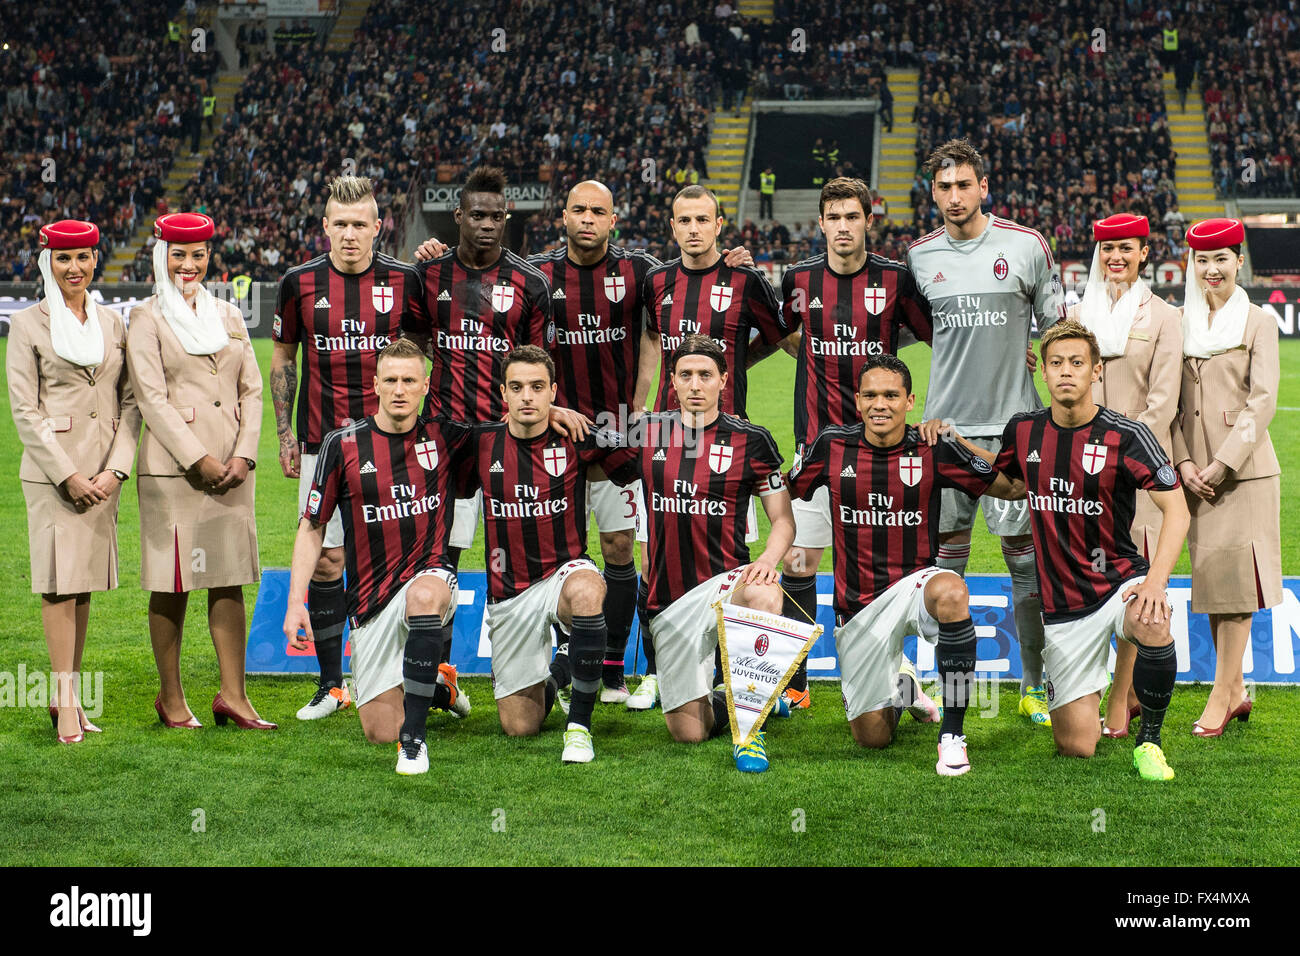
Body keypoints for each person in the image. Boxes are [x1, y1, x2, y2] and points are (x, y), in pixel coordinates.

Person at [939, 319, 1189, 781]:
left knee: (1151, 618)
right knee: (1076, 747)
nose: (1066, 371)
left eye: (1077, 362)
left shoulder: (1127, 435)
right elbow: (1010, 485)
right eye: (1056, 363)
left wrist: (1155, 581)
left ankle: (1150, 741)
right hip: (1063, 608)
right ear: (1044, 373)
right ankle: (1098, 693)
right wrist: (953, 447)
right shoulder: (1025, 430)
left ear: (1096, 371)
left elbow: (1178, 510)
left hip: (1118, 582)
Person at [788, 354, 1023, 775]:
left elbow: (1010, 488)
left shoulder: (933, 447)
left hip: (916, 585)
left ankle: (952, 734)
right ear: (857, 400)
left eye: (891, 395)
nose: (881, 404)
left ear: (909, 400)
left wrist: (957, 438)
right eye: (872, 395)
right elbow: (787, 490)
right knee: (872, 738)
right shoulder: (832, 445)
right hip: (857, 607)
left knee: (952, 592)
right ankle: (905, 687)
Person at [907, 138, 1065, 728]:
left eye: (963, 185)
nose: (953, 196)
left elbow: (1056, 331)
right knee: (944, 568)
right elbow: (913, 331)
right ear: (934, 193)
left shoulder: (1026, 247)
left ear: (983, 187)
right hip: (942, 433)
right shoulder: (919, 258)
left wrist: (1040, 369)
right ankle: (933, 682)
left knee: (1025, 565)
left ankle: (1033, 685)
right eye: (943, 187)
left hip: (1014, 434)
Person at [628, 183, 788, 711]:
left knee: (729, 561)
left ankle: (742, 682)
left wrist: (735, 366)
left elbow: (785, 339)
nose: (693, 228)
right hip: (666, 436)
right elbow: (652, 340)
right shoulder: (657, 280)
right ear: (671, 226)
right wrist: (641, 405)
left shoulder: (746, 280)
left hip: (728, 441)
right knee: (658, 551)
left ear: (719, 225)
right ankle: (659, 671)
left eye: (703, 219)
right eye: (683, 220)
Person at [603, 335, 796, 772]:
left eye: (705, 375)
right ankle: (743, 694)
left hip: (727, 584)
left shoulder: (753, 440)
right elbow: (594, 449)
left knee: (764, 592)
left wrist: (768, 561)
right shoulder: (647, 433)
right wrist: (557, 414)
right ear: (671, 381)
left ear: (724, 380)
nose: (695, 384)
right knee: (688, 733)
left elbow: (783, 520)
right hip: (669, 602)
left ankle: (751, 730)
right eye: (685, 374)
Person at [778, 176, 935, 711]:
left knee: (885, 570)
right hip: (817, 445)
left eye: (853, 217)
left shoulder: (894, 279)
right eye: (834, 218)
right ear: (820, 223)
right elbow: (779, 330)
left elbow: (940, 335)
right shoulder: (798, 278)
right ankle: (795, 682)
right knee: (798, 560)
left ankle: (899, 671)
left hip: (883, 452)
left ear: (870, 220)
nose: (843, 227)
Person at [272, 175, 425, 722]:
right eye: (340, 224)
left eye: (361, 224)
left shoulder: (407, 281)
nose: (350, 234)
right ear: (325, 227)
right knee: (327, 559)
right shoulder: (298, 283)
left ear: (379, 226)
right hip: (321, 443)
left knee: (401, 560)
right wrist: (286, 435)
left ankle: (414, 675)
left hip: (396, 445)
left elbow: (431, 353)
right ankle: (332, 683)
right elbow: (285, 360)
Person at [284, 338, 469, 775]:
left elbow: (513, 430)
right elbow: (311, 527)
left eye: (409, 380)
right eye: (391, 380)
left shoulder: (447, 436)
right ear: (376, 385)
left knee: (424, 597)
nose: (400, 389)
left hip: (431, 577)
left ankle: (414, 744)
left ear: (425, 385)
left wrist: (553, 412)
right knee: (378, 729)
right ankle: (439, 688)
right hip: (370, 602)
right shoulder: (343, 444)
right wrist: (295, 603)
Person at [127, 212, 272, 730]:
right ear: (161, 255)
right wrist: (199, 459)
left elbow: (251, 390)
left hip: (234, 468)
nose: (189, 264)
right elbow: (151, 398)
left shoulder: (229, 315)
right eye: (179, 253)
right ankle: (171, 699)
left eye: (199, 254)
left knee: (229, 579)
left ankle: (234, 696)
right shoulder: (145, 318)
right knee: (173, 581)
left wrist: (244, 454)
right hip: (175, 473)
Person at [7, 220, 142, 742]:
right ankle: (64, 700)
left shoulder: (113, 323)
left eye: (83, 258)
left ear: (95, 260)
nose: (75, 268)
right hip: (53, 476)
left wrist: (116, 469)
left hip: (103, 474)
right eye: (64, 259)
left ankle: (71, 694)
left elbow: (130, 403)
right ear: (48, 263)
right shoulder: (28, 324)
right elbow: (24, 410)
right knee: (59, 584)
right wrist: (67, 474)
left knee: (83, 586)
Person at [459, 346, 625, 763]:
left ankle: (579, 730)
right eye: (517, 388)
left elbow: (638, 449)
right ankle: (563, 669)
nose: (527, 397)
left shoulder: (576, 438)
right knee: (519, 727)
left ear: (553, 391)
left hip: (563, 572)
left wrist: (573, 419)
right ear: (503, 394)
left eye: (537, 388)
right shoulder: (480, 443)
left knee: (588, 592)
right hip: (508, 592)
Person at [401, 165, 551, 594]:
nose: (487, 224)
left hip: (507, 432)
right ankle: (440, 658)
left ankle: (527, 653)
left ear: (506, 217)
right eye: (477, 215)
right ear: (458, 215)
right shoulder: (427, 275)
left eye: (496, 217)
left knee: (521, 545)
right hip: (441, 430)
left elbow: (539, 365)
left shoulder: (531, 282)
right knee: (439, 551)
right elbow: (411, 349)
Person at [1067, 213, 1182, 738]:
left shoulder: (1162, 316)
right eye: (1108, 247)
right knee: (1090, 582)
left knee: (1136, 586)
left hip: (1136, 473)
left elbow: (1162, 400)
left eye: (1127, 248)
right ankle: (1087, 686)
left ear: (1143, 254)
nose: (1116, 256)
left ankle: (1124, 696)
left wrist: (1123, 456)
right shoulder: (1077, 311)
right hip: (1081, 476)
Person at [1172, 218, 1281, 738]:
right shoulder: (1179, 321)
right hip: (1193, 475)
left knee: (1236, 591)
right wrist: (1185, 463)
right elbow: (1167, 401)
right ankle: (1235, 690)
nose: (1211, 269)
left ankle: (1220, 695)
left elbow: (1263, 403)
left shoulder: (1258, 322)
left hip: (1243, 475)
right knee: (1213, 585)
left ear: (1240, 261)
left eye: (1221, 259)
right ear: (1191, 264)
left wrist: (1223, 462)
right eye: (1201, 259)